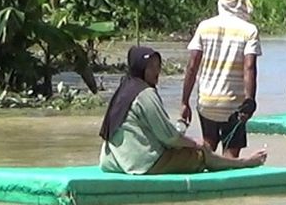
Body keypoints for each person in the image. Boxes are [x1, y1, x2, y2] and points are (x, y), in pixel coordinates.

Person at [99, 46, 266, 175]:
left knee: (188, 146)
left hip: (113, 162)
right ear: (140, 68)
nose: (157, 71)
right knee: (201, 154)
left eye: (158, 66)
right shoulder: (145, 94)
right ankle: (244, 163)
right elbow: (169, 138)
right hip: (143, 163)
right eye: (151, 67)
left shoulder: (124, 88)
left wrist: (181, 125)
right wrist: (196, 143)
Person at [181, 0, 262, 158]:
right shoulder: (249, 31)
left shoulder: (204, 26)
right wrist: (250, 101)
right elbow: (249, 67)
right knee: (231, 155)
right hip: (234, 105)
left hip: (207, 102)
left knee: (208, 148)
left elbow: (192, 65)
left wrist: (184, 101)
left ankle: (204, 180)